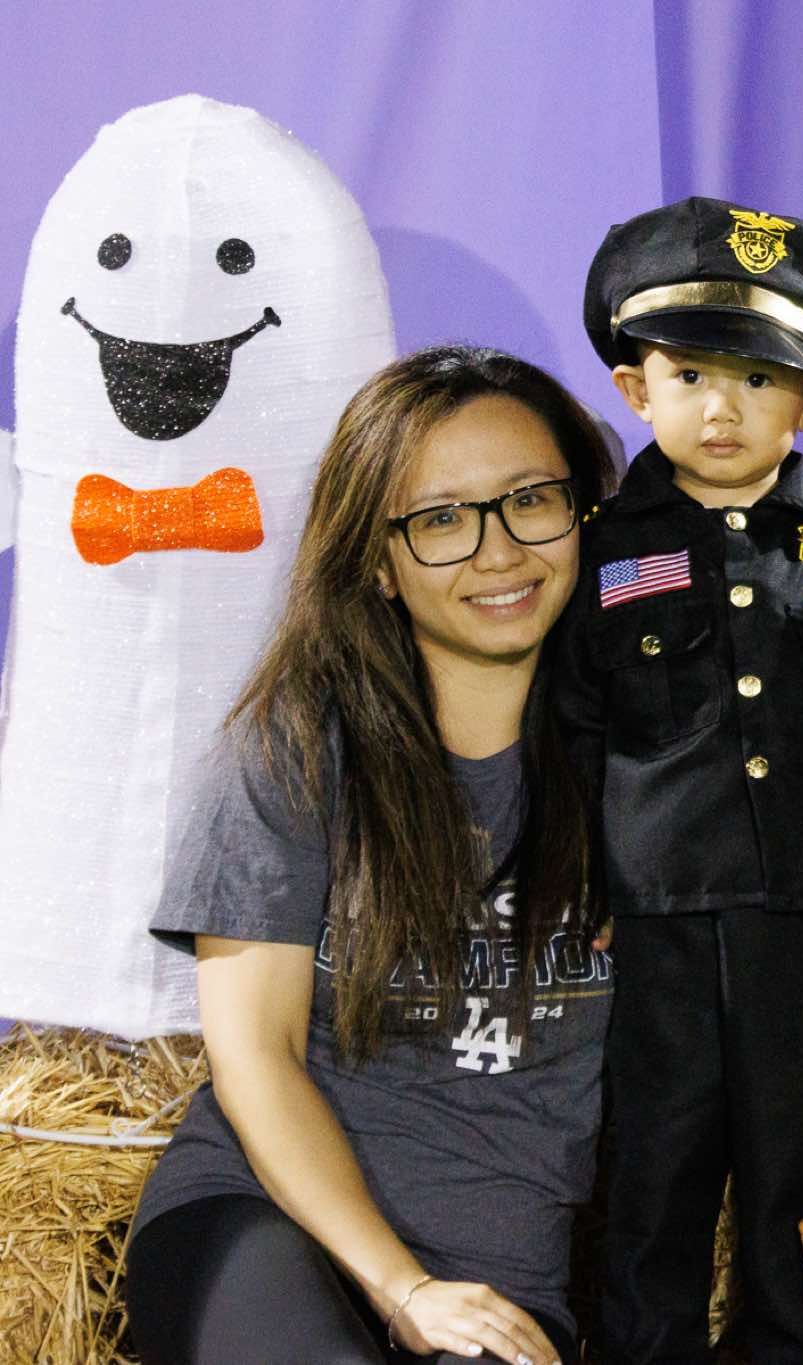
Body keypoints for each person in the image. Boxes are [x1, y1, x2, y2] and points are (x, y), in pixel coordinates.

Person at [125, 346, 618, 1365]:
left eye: (531, 499)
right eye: (440, 519)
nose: (498, 551)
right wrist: (403, 1288)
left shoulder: (651, 765)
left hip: (502, 1279)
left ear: (583, 514)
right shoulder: (295, 747)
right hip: (267, 1220)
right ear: (379, 563)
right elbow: (256, 1056)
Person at [563, 196, 803, 1364]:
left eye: (757, 379)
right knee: (656, 1163)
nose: (719, 408)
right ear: (634, 389)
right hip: (656, 910)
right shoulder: (595, 547)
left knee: (802, 1167)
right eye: (688, 375)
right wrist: (582, 878)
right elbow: (574, 727)